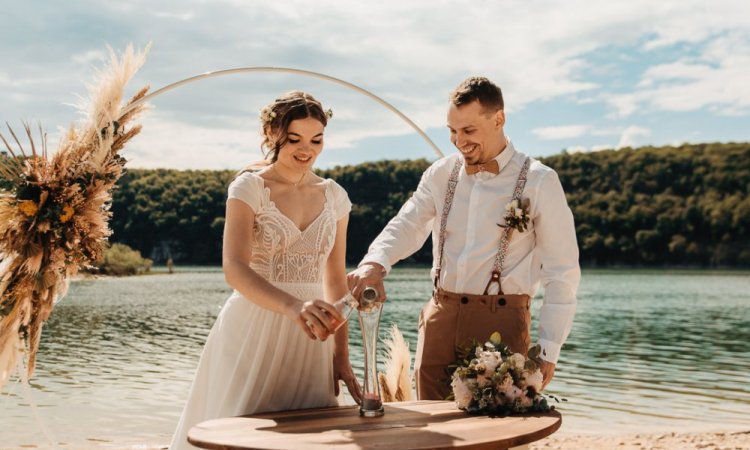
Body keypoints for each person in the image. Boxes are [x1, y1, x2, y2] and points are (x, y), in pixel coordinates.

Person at [348, 76, 580, 401]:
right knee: (432, 433)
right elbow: (409, 222)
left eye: (468, 131)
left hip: (503, 325)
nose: (458, 141)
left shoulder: (540, 181)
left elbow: (562, 272)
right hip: (440, 318)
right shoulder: (440, 174)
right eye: (452, 130)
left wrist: (549, 348)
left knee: (497, 436)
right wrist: (375, 262)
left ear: (499, 119)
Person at [170, 91, 362, 449]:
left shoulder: (335, 196)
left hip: (311, 337)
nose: (307, 149)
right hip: (252, 330)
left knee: (312, 438)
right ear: (273, 134)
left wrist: (340, 357)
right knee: (239, 434)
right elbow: (234, 268)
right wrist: (293, 307)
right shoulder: (249, 188)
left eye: (316, 140)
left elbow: (335, 281)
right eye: (295, 139)